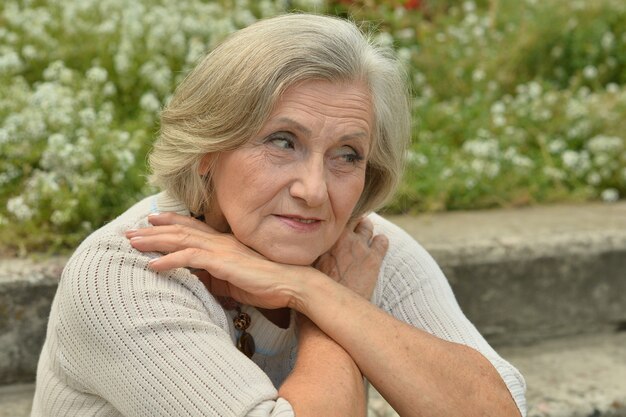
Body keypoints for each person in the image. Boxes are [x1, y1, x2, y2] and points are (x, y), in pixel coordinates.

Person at [31, 13, 526, 417]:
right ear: (208, 150)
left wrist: (313, 290)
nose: (314, 190)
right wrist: (334, 315)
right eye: (282, 142)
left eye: (347, 154)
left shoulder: (359, 249)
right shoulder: (124, 271)